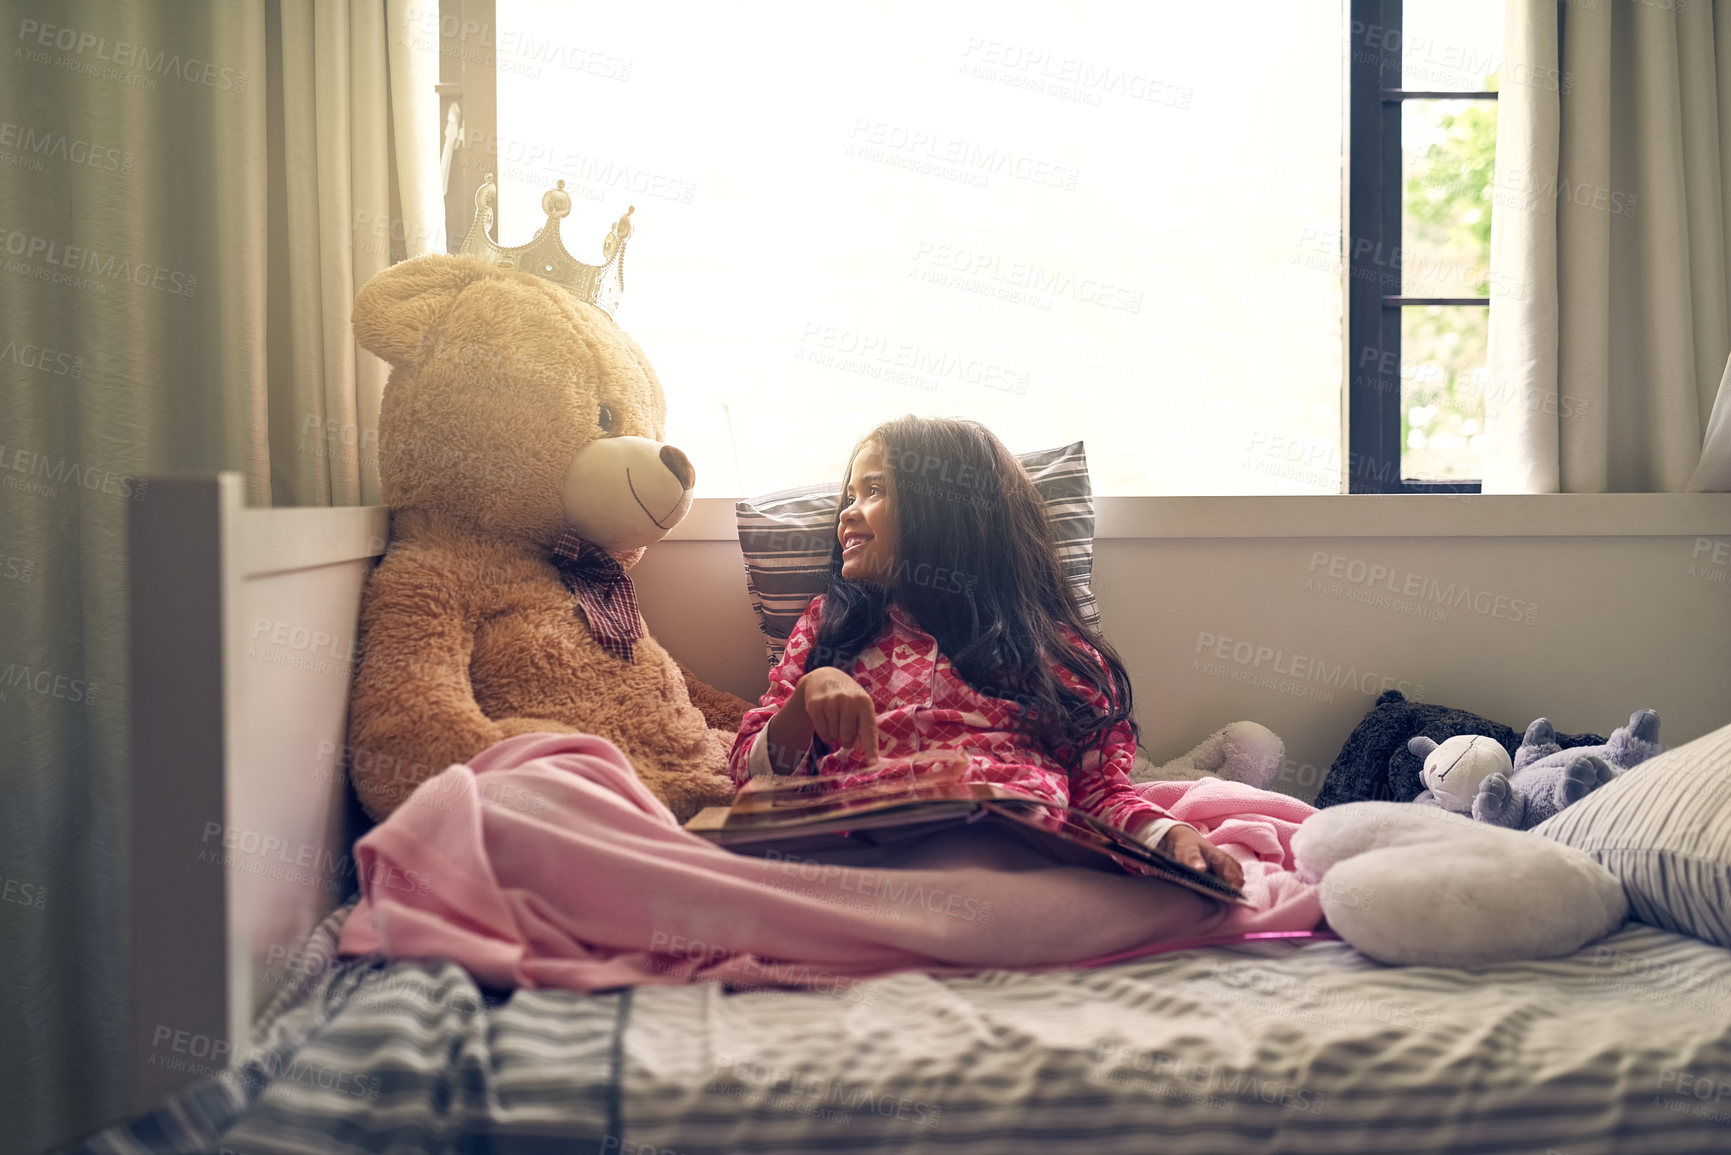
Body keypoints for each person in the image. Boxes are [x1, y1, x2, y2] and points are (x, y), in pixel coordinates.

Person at [729, 416, 1244, 888]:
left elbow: (1100, 793)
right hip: (868, 856)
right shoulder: (829, 626)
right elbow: (752, 778)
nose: (847, 512)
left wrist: (1164, 838)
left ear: (949, 511)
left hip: (1016, 856)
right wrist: (806, 699)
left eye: (875, 490)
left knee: (1241, 837)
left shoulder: (1052, 646)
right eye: (850, 493)